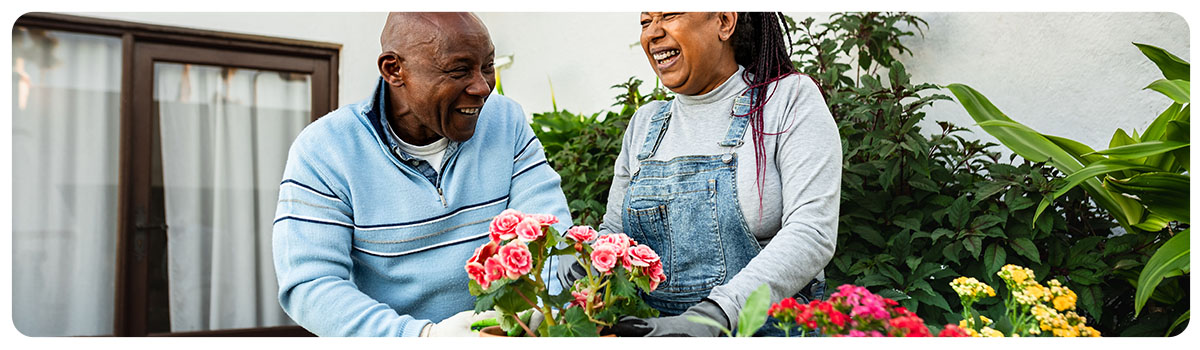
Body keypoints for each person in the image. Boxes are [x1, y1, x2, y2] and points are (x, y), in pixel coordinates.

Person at [272, 12, 572, 337]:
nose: (483, 87)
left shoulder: (505, 122)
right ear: (394, 69)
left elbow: (553, 237)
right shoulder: (325, 150)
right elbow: (311, 285)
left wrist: (546, 313)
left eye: (487, 65)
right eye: (460, 70)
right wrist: (423, 337)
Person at [602, 12, 841, 337]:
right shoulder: (645, 124)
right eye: (645, 22)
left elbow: (812, 234)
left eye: (669, 15)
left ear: (725, 22)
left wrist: (715, 316)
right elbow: (615, 235)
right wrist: (567, 276)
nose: (653, 33)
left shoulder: (787, 100)